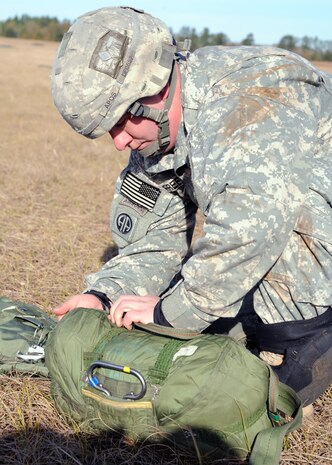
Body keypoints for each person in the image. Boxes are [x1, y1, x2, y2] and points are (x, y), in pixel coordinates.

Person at [51, 6, 332, 409]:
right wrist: (104, 296)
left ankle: (300, 332)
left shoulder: (252, 101)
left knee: (282, 219)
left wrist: (173, 314)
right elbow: (152, 243)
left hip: (311, 210)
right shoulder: (156, 134)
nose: (118, 142)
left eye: (121, 122)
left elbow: (250, 232)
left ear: (157, 89)